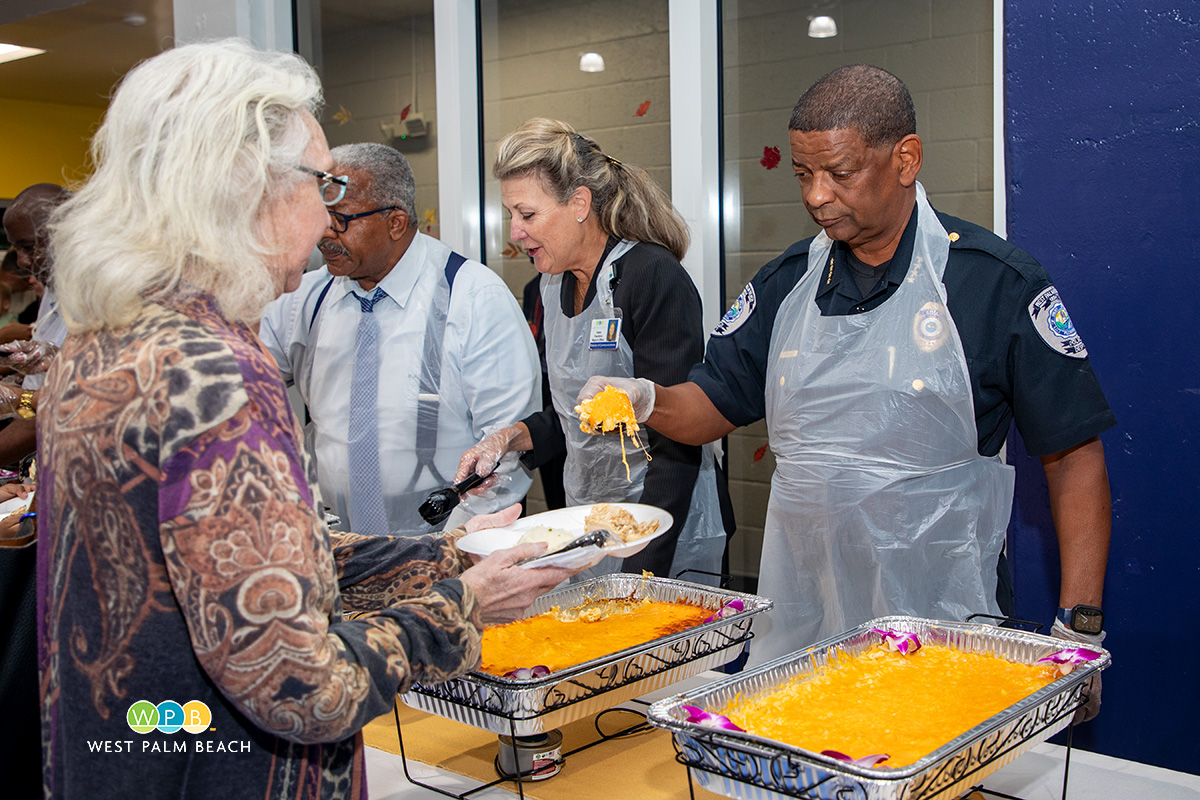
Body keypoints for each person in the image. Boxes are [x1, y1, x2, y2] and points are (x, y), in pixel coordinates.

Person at [38, 39, 577, 800]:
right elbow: (301, 686)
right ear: (246, 187)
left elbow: (248, 555)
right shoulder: (214, 370)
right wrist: (465, 604)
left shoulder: (107, 340)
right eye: (320, 182)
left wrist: (449, 557)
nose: (328, 212)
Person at [580, 65, 1114, 718]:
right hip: (806, 633)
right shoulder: (785, 289)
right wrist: (646, 399)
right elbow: (709, 410)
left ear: (905, 159)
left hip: (946, 633)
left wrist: (1078, 628)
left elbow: (1074, 457)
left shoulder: (994, 286)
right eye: (804, 174)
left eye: (839, 172)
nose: (818, 196)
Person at [456, 119, 732, 583]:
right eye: (510, 215)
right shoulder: (547, 286)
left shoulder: (650, 277)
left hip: (663, 530)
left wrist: (641, 572)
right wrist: (509, 438)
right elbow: (574, 414)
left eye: (527, 214)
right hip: (590, 528)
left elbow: (677, 437)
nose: (515, 233)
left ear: (580, 203)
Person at [260, 142, 540, 537]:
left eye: (340, 219)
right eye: (321, 216)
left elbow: (505, 453)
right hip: (335, 548)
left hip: (444, 548)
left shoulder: (473, 298)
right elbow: (235, 376)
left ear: (394, 222)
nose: (325, 233)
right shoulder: (302, 299)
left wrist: (451, 554)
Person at [0, 184, 72, 471]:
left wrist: (20, 400)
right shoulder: (55, 289)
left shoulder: (111, 295)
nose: (22, 262)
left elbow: (74, 403)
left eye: (28, 247)